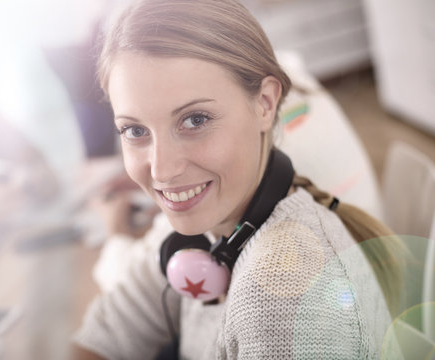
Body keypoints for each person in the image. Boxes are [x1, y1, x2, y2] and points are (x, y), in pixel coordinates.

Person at [73, 0, 406, 358]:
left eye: (195, 120)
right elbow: (108, 330)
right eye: (135, 129)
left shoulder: (279, 290)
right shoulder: (217, 218)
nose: (161, 170)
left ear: (265, 102)